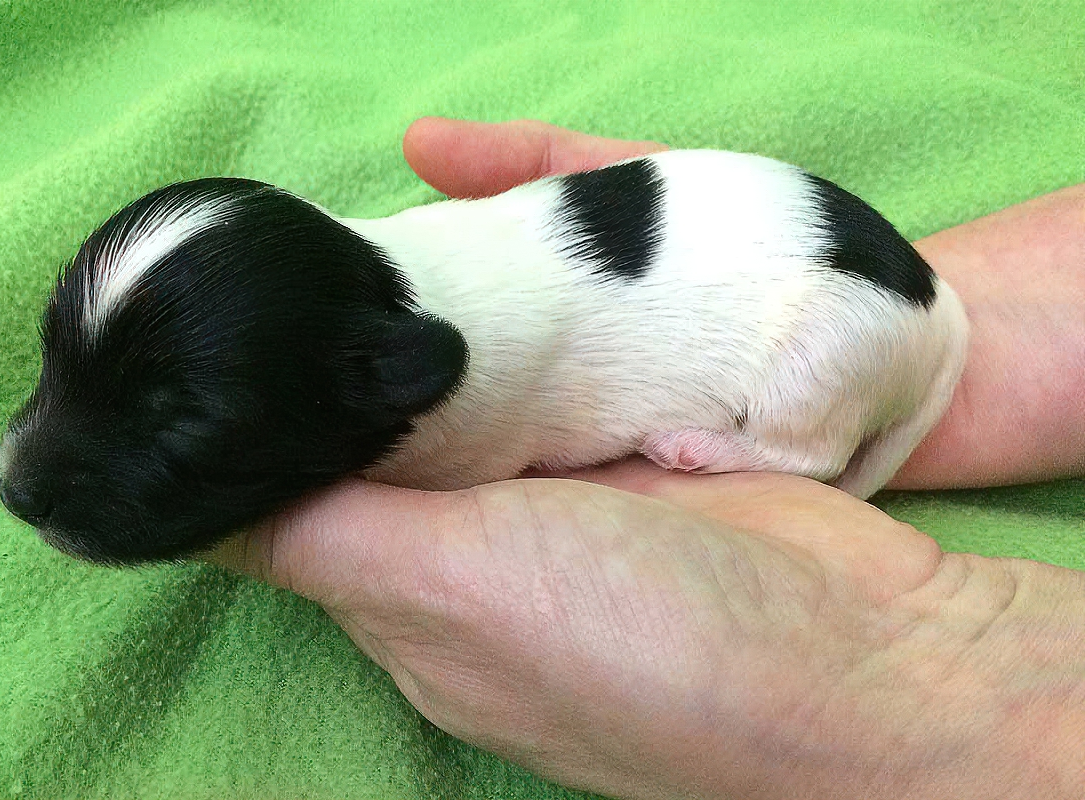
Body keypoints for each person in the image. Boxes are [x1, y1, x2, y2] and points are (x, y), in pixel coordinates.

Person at [209, 118, 1085, 799]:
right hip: (782, 244)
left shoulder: (468, 387)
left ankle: (793, 449)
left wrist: (912, 654)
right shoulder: (410, 303)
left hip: (841, 293)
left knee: (822, 342)